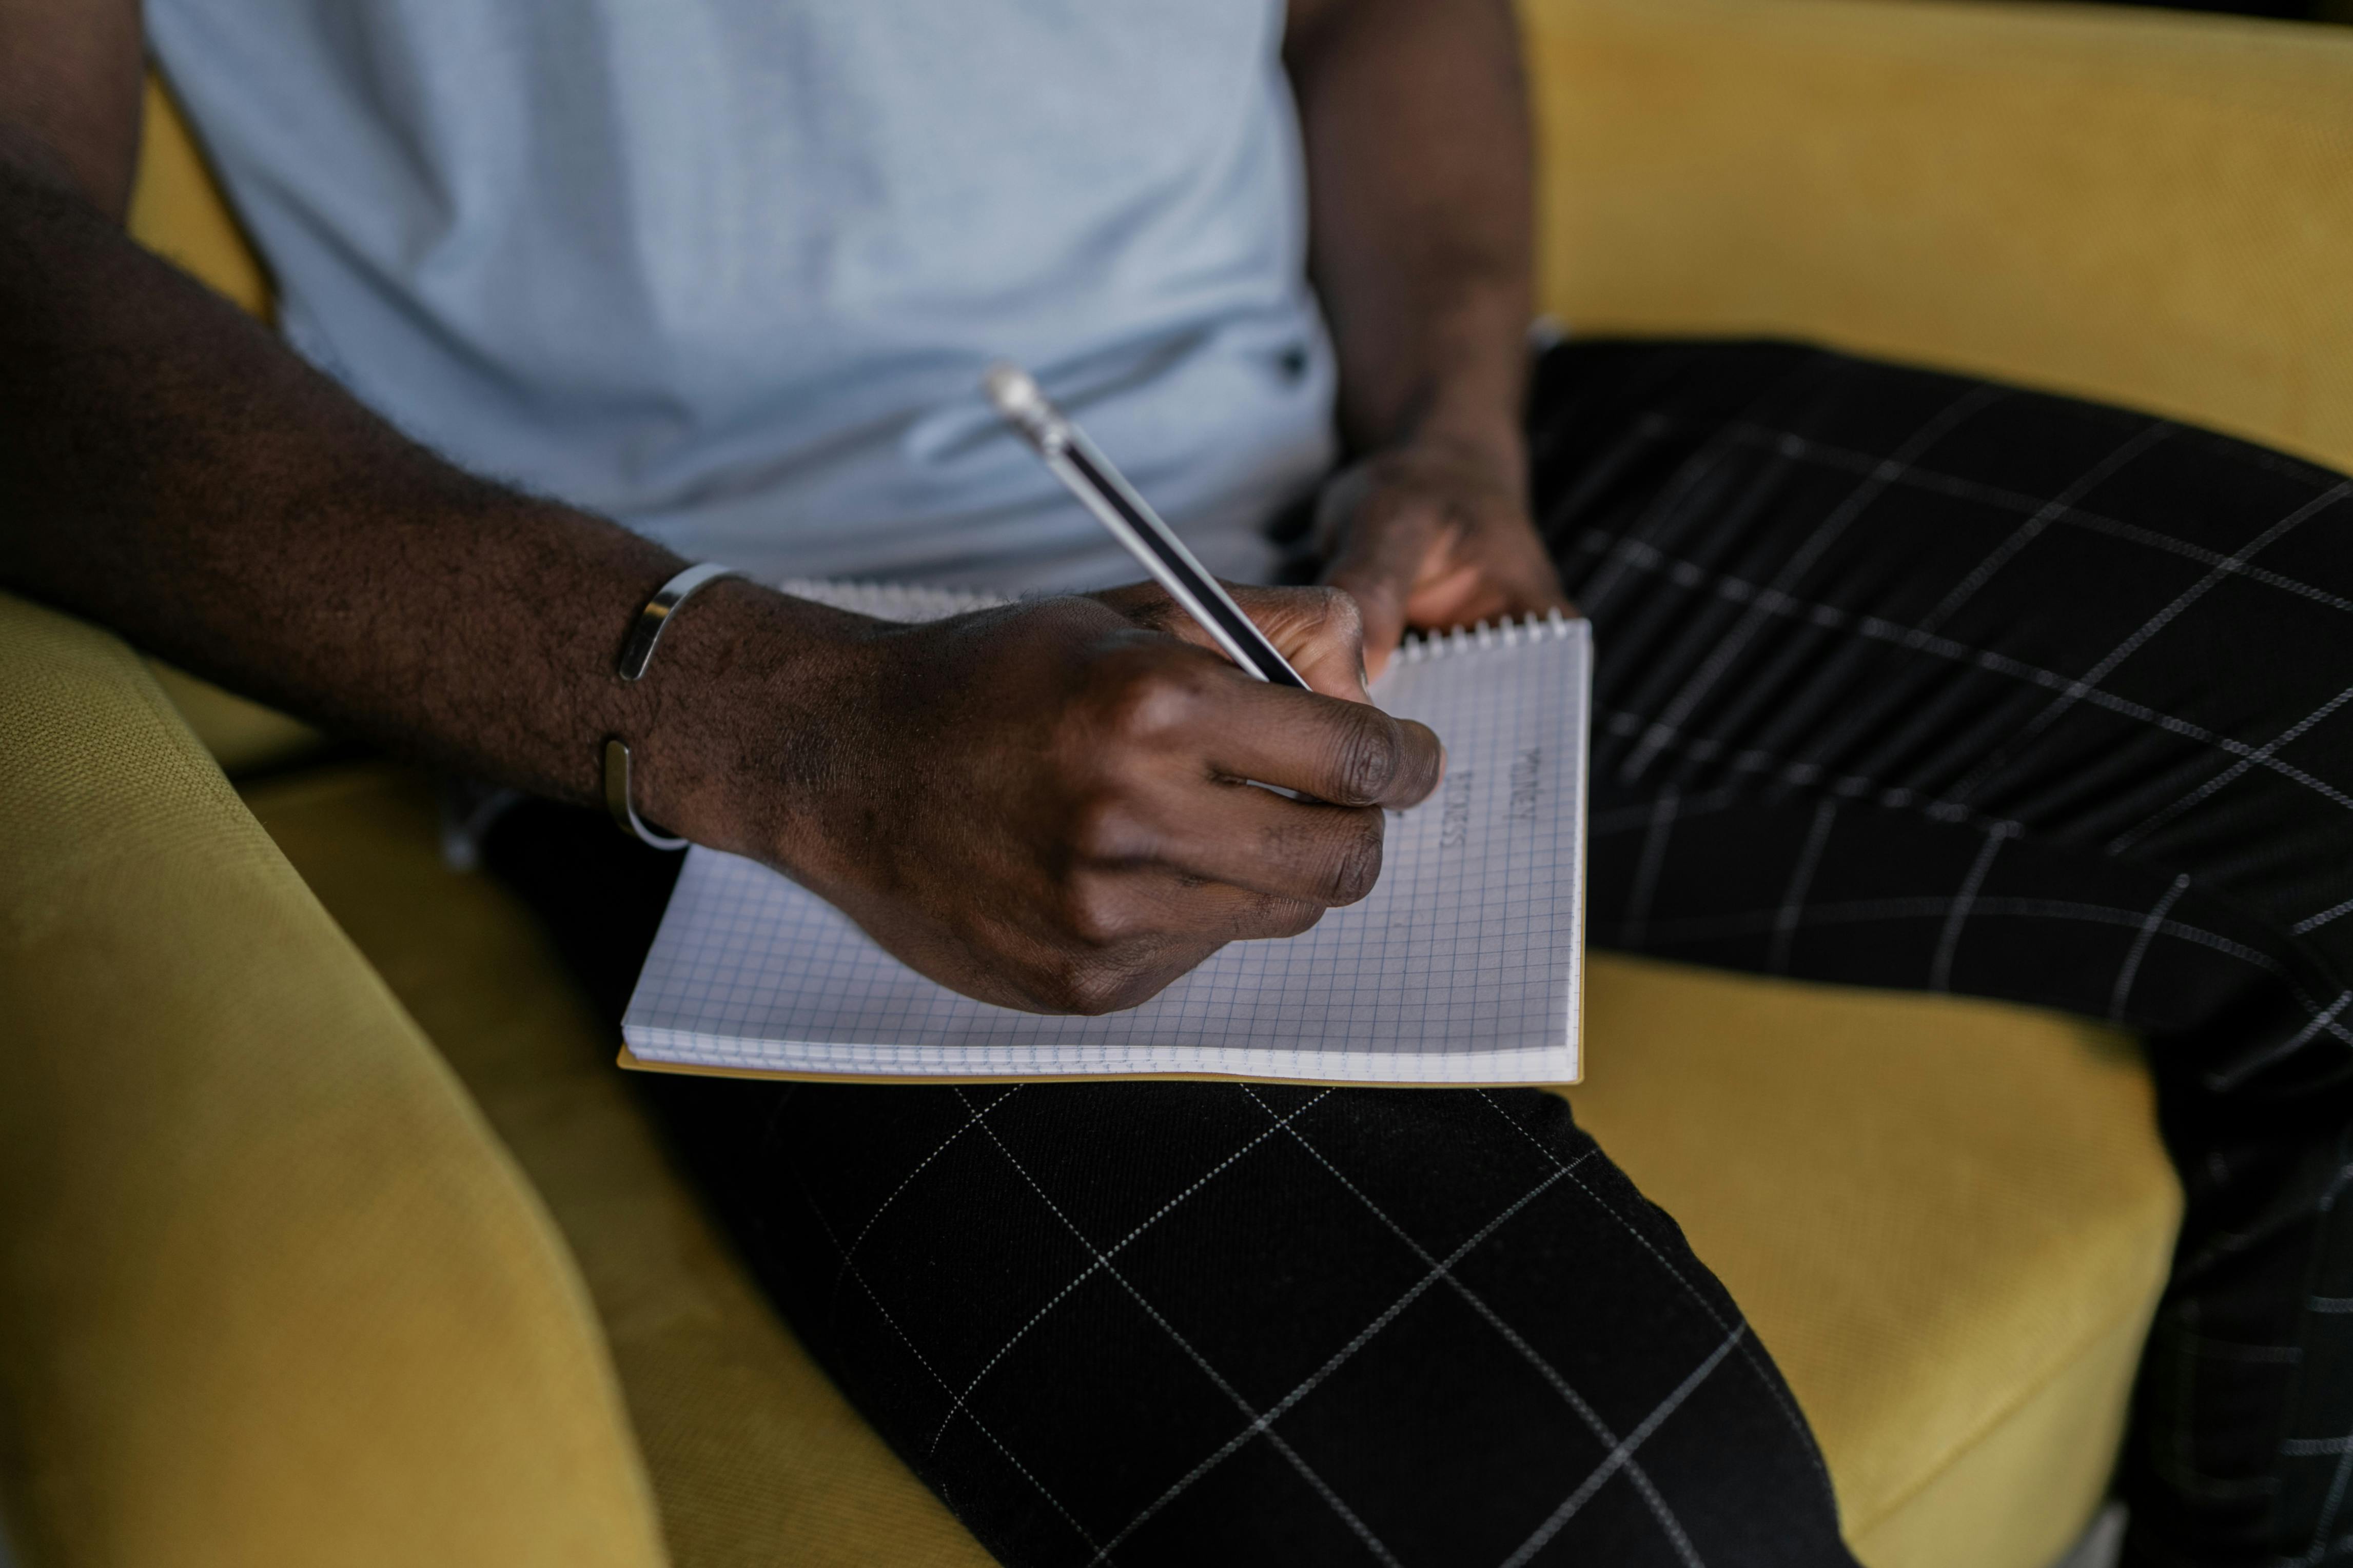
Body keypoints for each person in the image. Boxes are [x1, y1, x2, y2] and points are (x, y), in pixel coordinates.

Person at [4, 2, 2350, 1563]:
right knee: (1593, 1512)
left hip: (1365, 488)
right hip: (766, 669)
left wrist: (1454, 419)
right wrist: (768, 721)